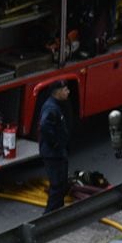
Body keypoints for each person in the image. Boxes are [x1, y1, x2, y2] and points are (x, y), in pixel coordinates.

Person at [37, 83, 74, 213]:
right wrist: (56, 144)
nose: (68, 92)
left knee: (62, 185)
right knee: (57, 186)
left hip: (57, 152)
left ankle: (58, 214)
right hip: (53, 154)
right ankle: (48, 218)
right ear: (57, 92)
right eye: (65, 89)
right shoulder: (51, 108)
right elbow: (45, 126)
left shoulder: (56, 106)